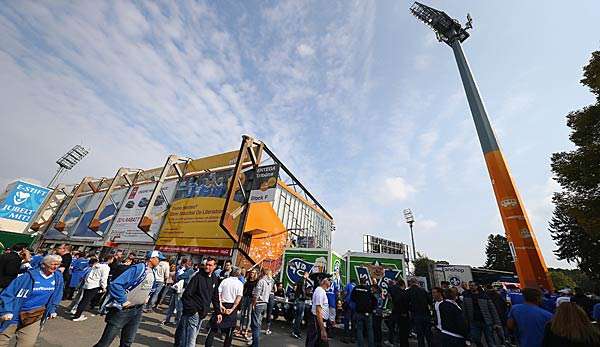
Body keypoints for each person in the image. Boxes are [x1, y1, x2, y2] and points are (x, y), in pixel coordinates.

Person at [93, 250, 163, 347]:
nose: (160, 261)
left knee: (127, 342)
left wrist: (146, 297)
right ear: (151, 259)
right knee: (105, 342)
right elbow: (116, 284)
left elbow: (149, 286)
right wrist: (123, 300)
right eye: (159, 259)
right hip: (123, 310)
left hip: (138, 310)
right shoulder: (138, 268)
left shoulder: (153, 272)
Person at [0, 254, 63, 347]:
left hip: (34, 315)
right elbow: (8, 293)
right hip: (15, 313)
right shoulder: (27, 277)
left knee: (28, 343)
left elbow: (57, 294)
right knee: (2, 340)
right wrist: (7, 310)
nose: (55, 267)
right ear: (43, 264)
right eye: (53, 264)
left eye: (58, 264)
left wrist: (53, 309)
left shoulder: (57, 277)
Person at [174, 257, 221, 347]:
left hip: (203, 312)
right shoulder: (198, 277)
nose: (207, 266)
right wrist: (193, 309)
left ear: (215, 266)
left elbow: (215, 297)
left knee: (189, 334)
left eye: (210, 265)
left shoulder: (214, 278)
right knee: (191, 336)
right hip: (193, 311)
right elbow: (187, 294)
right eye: (206, 264)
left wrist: (218, 312)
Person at [205, 267, 244, 347]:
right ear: (239, 274)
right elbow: (238, 298)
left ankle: (207, 345)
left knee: (214, 327)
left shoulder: (225, 281)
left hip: (222, 303)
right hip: (231, 305)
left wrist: (220, 305)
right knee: (229, 329)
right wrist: (232, 309)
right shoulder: (240, 284)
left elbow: (218, 293)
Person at [463, 282, 501, 347]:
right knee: (476, 339)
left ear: (477, 286)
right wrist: (466, 323)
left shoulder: (484, 296)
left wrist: (497, 322)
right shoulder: (467, 297)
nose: (471, 287)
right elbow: (465, 311)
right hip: (474, 322)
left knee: (490, 340)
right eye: (470, 286)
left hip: (486, 321)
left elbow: (492, 310)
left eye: (472, 285)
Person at [72, 257, 109, 321]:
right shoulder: (105, 268)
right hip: (94, 285)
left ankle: (76, 314)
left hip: (87, 284)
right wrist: (104, 287)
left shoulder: (94, 266)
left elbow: (88, 275)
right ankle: (77, 316)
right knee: (85, 301)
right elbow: (104, 278)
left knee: (83, 300)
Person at [248, 268, 273, 347]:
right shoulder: (270, 282)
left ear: (263, 273)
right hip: (265, 304)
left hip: (258, 304)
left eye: (260, 272)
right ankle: (254, 343)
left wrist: (253, 304)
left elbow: (256, 294)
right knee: (258, 324)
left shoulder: (261, 281)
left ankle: (255, 344)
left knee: (255, 325)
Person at [406, 278, 433, 347]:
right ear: (417, 282)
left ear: (410, 283)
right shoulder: (423, 290)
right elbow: (430, 301)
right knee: (428, 335)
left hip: (416, 315)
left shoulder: (408, 292)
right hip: (426, 314)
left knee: (420, 335)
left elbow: (406, 304)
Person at [306, 275, 331, 347]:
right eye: (328, 279)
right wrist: (323, 330)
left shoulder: (322, 291)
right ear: (322, 281)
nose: (330, 281)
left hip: (319, 322)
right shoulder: (320, 291)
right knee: (315, 343)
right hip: (317, 322)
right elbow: (318, 311)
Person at [352, 278, 375, 347]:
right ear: (366, 282)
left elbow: (352, 298)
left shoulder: (356, 288)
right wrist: (372, 308)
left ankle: (361, 345)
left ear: (360, 281)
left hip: (359, 311)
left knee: (359, 330)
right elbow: (374, 299)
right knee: (370, 330)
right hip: (368, 312)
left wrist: (358, 302)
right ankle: (371, 345)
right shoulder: (369, 289)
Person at [388, 279, 409, 347]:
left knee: (395, 328)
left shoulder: (394, 291)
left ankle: (393, 341)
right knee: (403, 331)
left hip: (396, 312)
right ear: (403, 284)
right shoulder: (403, 292)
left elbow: (390, 297)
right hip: (403, 314)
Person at [292, 271, 310, 339]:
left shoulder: (301, 280)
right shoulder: (303, 280)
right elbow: (302, 290)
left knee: (298, 317)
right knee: (299, 317)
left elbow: (295, 285)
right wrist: (305, 297)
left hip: (299, 299)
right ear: (306, 274)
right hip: (300, 300)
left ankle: (295, 331)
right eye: (308, 275)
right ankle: (296, 332)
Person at [342, 278, 357, 343]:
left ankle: (346, 337)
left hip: (348, 305)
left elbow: (345, 293)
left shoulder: (348, 285)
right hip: (355, 306)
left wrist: (343, 299)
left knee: (347, 321)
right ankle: (353, 337)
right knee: (353, 322)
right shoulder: (357, 287)